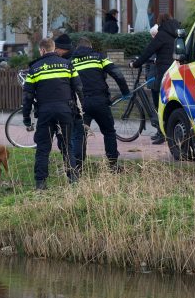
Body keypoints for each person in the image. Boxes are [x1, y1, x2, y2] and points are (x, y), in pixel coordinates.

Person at [22, 37, 84, 190]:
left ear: (42, 50)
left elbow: (27, 96)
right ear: (54, 48)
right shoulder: (67, 65)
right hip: (65, 111)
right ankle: (73, 180)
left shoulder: (34, 68)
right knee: (67, 146)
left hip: (45, 113)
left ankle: (41, 184)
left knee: (43, 148)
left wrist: (26, 118)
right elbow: (79, 88)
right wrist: (81, 110)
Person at [69, 37, 130, 176]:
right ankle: (113, 165)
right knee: (109, 132)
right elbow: (118, 74)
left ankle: (77, 168)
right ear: (90, 47)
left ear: (77, 48)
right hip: (100, 101)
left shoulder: (70, 62)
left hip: (81, 104)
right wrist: (125, 91)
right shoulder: (99, 57)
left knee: (79, 135)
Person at [130, 13, 180, 145]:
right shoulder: (177, 34)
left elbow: (148, 51)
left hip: (163, 73)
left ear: (160, 22)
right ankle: (165, 132)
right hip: (175, 71)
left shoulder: (162, 35)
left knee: (159, 103)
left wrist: (135, 64)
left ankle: (162, 132)